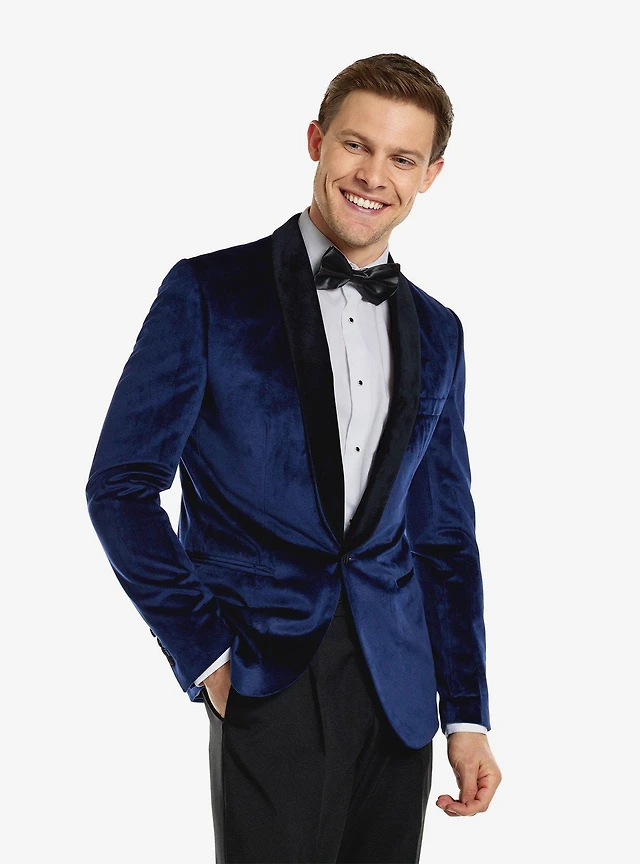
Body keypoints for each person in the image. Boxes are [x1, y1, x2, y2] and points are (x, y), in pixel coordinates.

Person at [86, 53, 502, 864]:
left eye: (402, 158)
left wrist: (466, 715)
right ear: (316, 141)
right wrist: (207, 654)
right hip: (262, 670)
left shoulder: (441, 330)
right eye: (356, 145)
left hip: (400, 693)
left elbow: (445, 537)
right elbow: (121, 488)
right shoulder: (209, 292)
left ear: (430, 176)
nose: (373, 175)